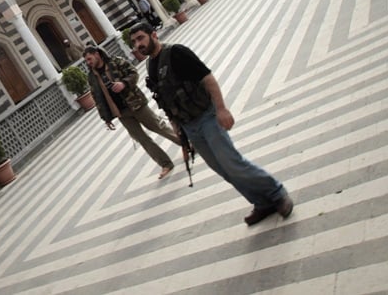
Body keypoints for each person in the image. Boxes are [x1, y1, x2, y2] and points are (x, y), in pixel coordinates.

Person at [130, 22, 294, 225]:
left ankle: (277, 193)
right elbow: (165, 99)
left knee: (232, 163)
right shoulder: (150, 65)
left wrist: (222, 109)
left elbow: (207, 78)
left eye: (140, 38)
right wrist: (179, 131)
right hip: (189, 125)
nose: (138, 44)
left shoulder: (177, 53)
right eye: (134, 41)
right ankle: (261, 202)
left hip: (206, 116)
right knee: (221, 168)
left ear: (153, 35)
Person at [84, 46, 180, 180]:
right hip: (121, 112)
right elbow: (97, 97)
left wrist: (123, 83)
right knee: (142, 139)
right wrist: (106, 118)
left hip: (135, 103)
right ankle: (165, 164)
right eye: (86, 61)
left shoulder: (116, 62)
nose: (88, 63)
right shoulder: (92, 77)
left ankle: (186, 144)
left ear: (96, 54)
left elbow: (134, 73)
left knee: (158, 126)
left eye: (89, 59)